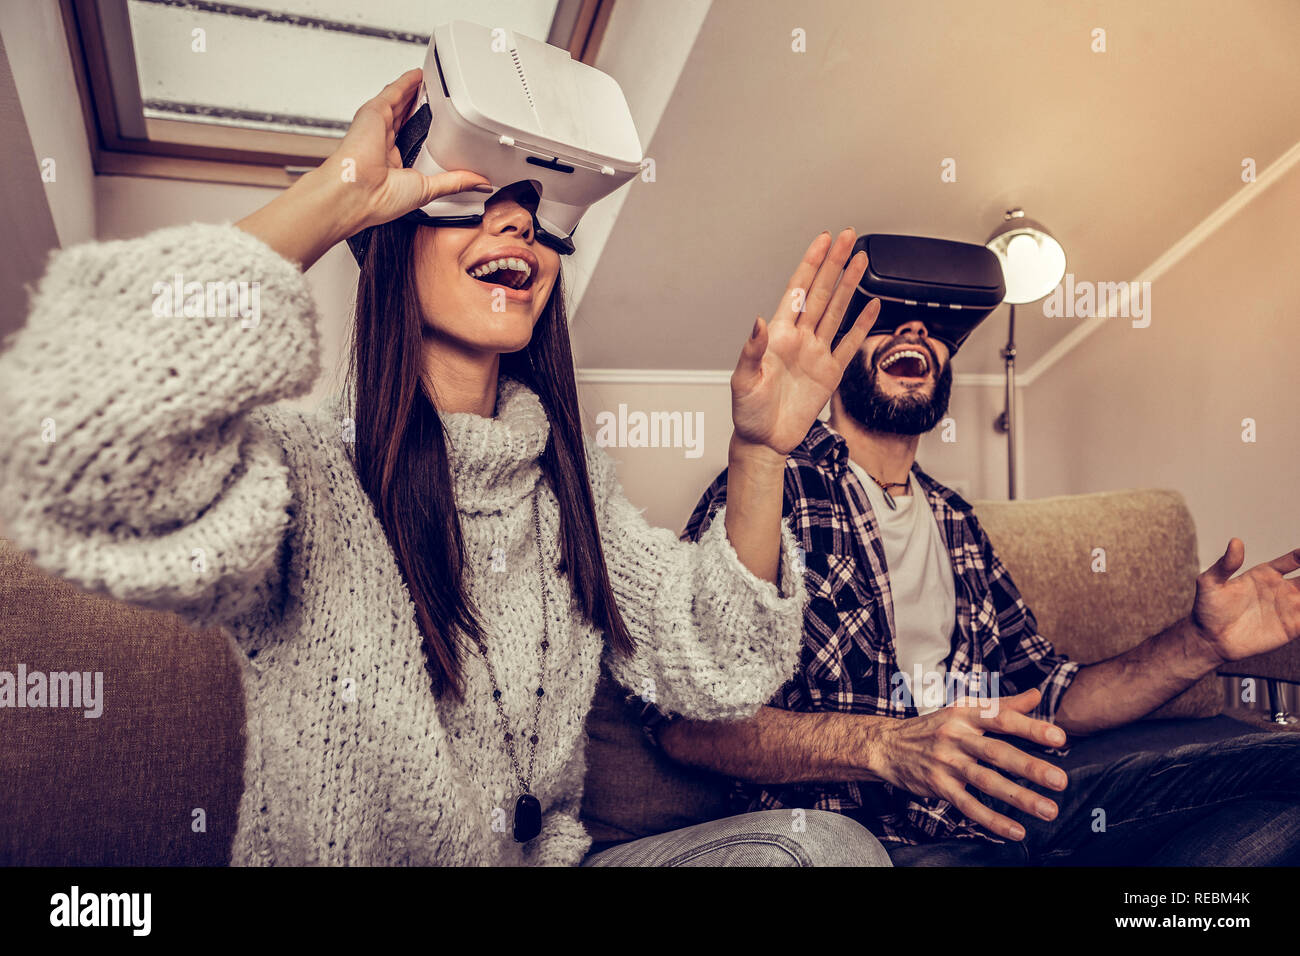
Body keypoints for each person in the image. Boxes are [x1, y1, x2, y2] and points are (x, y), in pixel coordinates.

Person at [0, 69, 892, 867]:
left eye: (541, 211)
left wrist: (758, 453)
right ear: (392, 239)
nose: (520, 220)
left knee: (828, 852)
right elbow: (70, 437)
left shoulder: (570, 482)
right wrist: (337, 196)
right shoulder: (302, 474)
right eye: (475, 193)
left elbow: (720, 665)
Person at [647, 312, 1300, 865]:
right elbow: (685, 727)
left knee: (1282, 776)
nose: (917, 328)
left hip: (1003, 815)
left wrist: (1201, 643)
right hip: (876, 841)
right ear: (839, 355)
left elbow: (1051, 695)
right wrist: (881, 745)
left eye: (936, 326)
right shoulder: (773, 488)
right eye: (890, 316)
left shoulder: (956, 520)